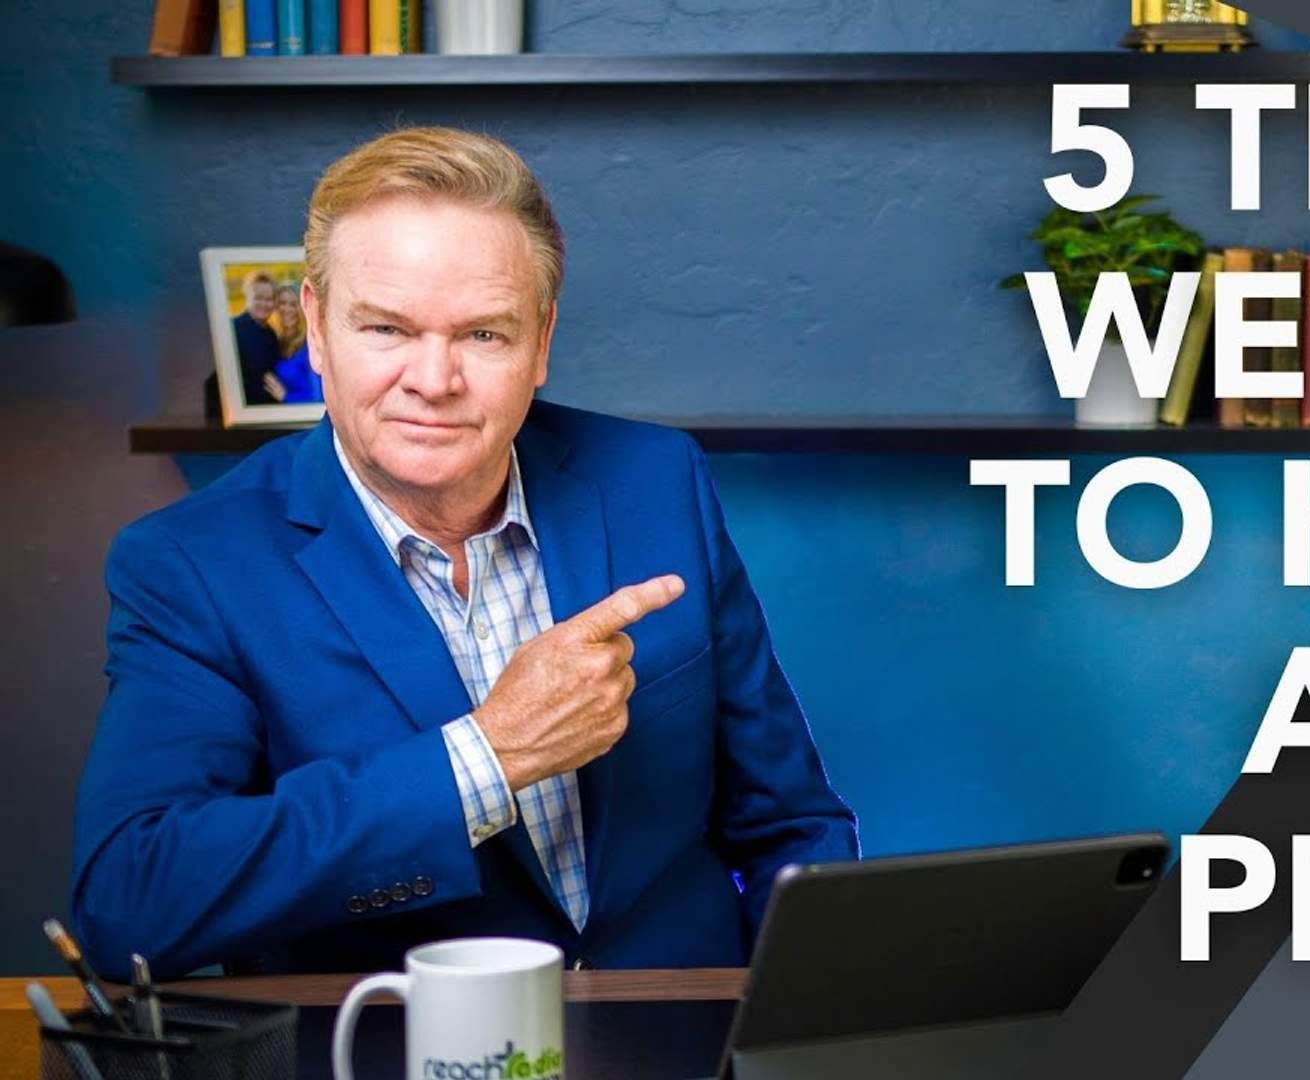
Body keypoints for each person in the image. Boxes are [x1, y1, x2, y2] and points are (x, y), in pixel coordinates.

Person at [71, 127, 858, 980]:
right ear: (317, 332)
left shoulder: (655, 478)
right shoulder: (192, 563)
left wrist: (795, 1021)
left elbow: (790, 822)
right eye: (386, 329)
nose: (434, 380)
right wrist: (489, 756)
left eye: (483, 335)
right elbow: (133, 902)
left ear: (542, 342)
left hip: (684, 1041)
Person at [230, 272, 282, 404]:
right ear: (247, 298)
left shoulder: (271, 335)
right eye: (258, 298)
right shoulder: (232, 329)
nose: (264, 304)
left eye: (269, 299)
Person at [265, 281, 321, 403]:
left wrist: (286, 396)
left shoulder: (309, 345)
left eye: (293, 304)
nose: (287, 309)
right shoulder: (275, 340)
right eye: (282, 303)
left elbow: (317, 397)